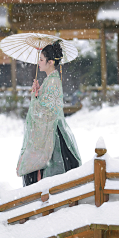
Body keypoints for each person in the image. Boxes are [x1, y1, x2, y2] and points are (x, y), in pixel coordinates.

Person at [16, 41, 81, 186]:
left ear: (50, 62)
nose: (39, 62)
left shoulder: (52, 82)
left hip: (52, 133)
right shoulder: (49, 80)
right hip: (52, 130)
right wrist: (37, 93)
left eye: (41, 59)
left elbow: (47, 111)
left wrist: (34, 98)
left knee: (51, 175)